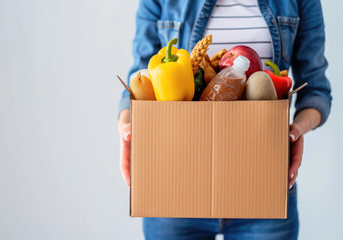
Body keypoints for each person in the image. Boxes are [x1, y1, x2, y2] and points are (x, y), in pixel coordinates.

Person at [118, 0, 332, 239]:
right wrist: (127, 128)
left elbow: (316, 90)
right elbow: (138, 77)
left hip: (262, 184)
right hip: (177, 183)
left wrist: (297, 129)